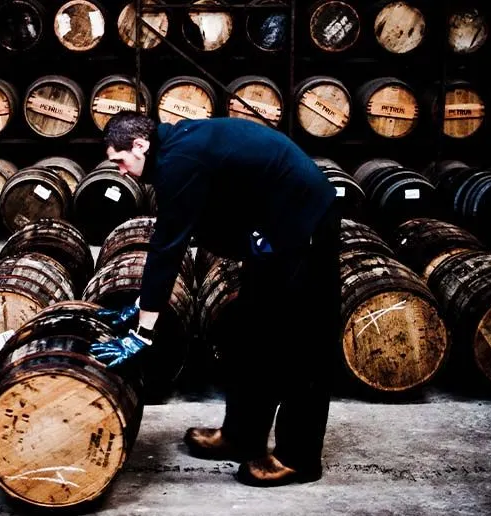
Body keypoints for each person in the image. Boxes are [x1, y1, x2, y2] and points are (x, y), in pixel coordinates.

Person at [88, 112, 342, 487]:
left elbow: (166, 247)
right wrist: (144, 302)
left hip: (305, 228)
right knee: (249, 331)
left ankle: (298, 458)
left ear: (140, 146)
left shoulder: (179, 159)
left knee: (299, 347)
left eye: (120, 161)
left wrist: (143, 332)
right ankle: (242, 435)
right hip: (270, 230)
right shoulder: (174, 150)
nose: (121, 171)